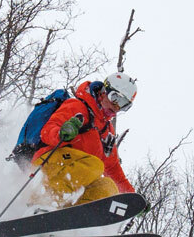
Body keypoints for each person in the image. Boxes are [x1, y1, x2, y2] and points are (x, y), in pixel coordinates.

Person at [27, 73, 136, 209]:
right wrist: (61, 133)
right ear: (103, 92)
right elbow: (47, 131)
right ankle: (43, 201)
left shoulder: (107, 131)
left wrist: (133, 200)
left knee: (108, 187)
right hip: (49, 164)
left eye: (124, 105)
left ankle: (68, 221)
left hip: (73, 178)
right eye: (116, 98)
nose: (117, 108)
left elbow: (113, 169)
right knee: (95, 165)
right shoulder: (78, 107)